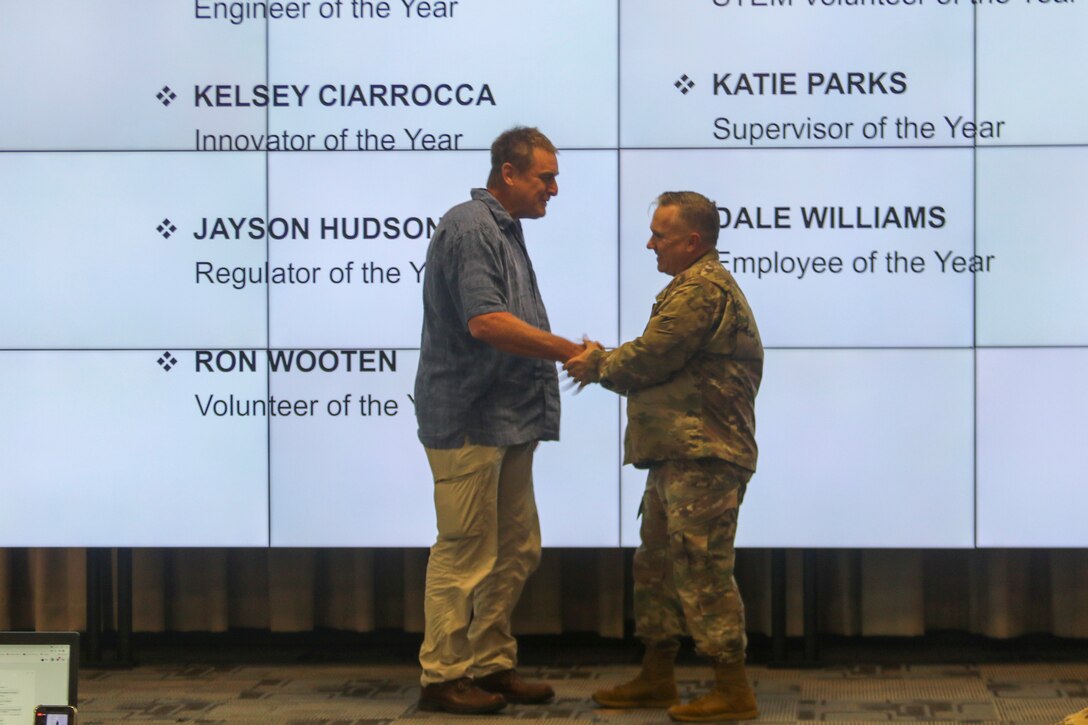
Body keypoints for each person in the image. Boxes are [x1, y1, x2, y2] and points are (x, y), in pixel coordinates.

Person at [565, 191, 763, 722]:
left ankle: (732, 688)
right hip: (680, 454)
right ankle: (657, 674)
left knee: (701, 567)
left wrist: (598, 363)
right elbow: (658, 357)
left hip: (704, 454)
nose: (650, 244)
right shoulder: (691, 287)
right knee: (656, 567)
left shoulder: (700, 289)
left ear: (692, 242)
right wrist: (607, 361)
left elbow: (652, 357)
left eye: (661, 235)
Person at [413, 126, 584, 715]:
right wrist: (568, 350)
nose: (554, 190)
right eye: (546, 177)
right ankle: (443, 676)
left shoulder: (503, 229)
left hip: (508, 418)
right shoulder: (470, 226)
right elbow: (485, 322)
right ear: (508, 174)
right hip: (470, 419)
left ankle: (490, 664)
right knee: (464, 552)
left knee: (515, 549)